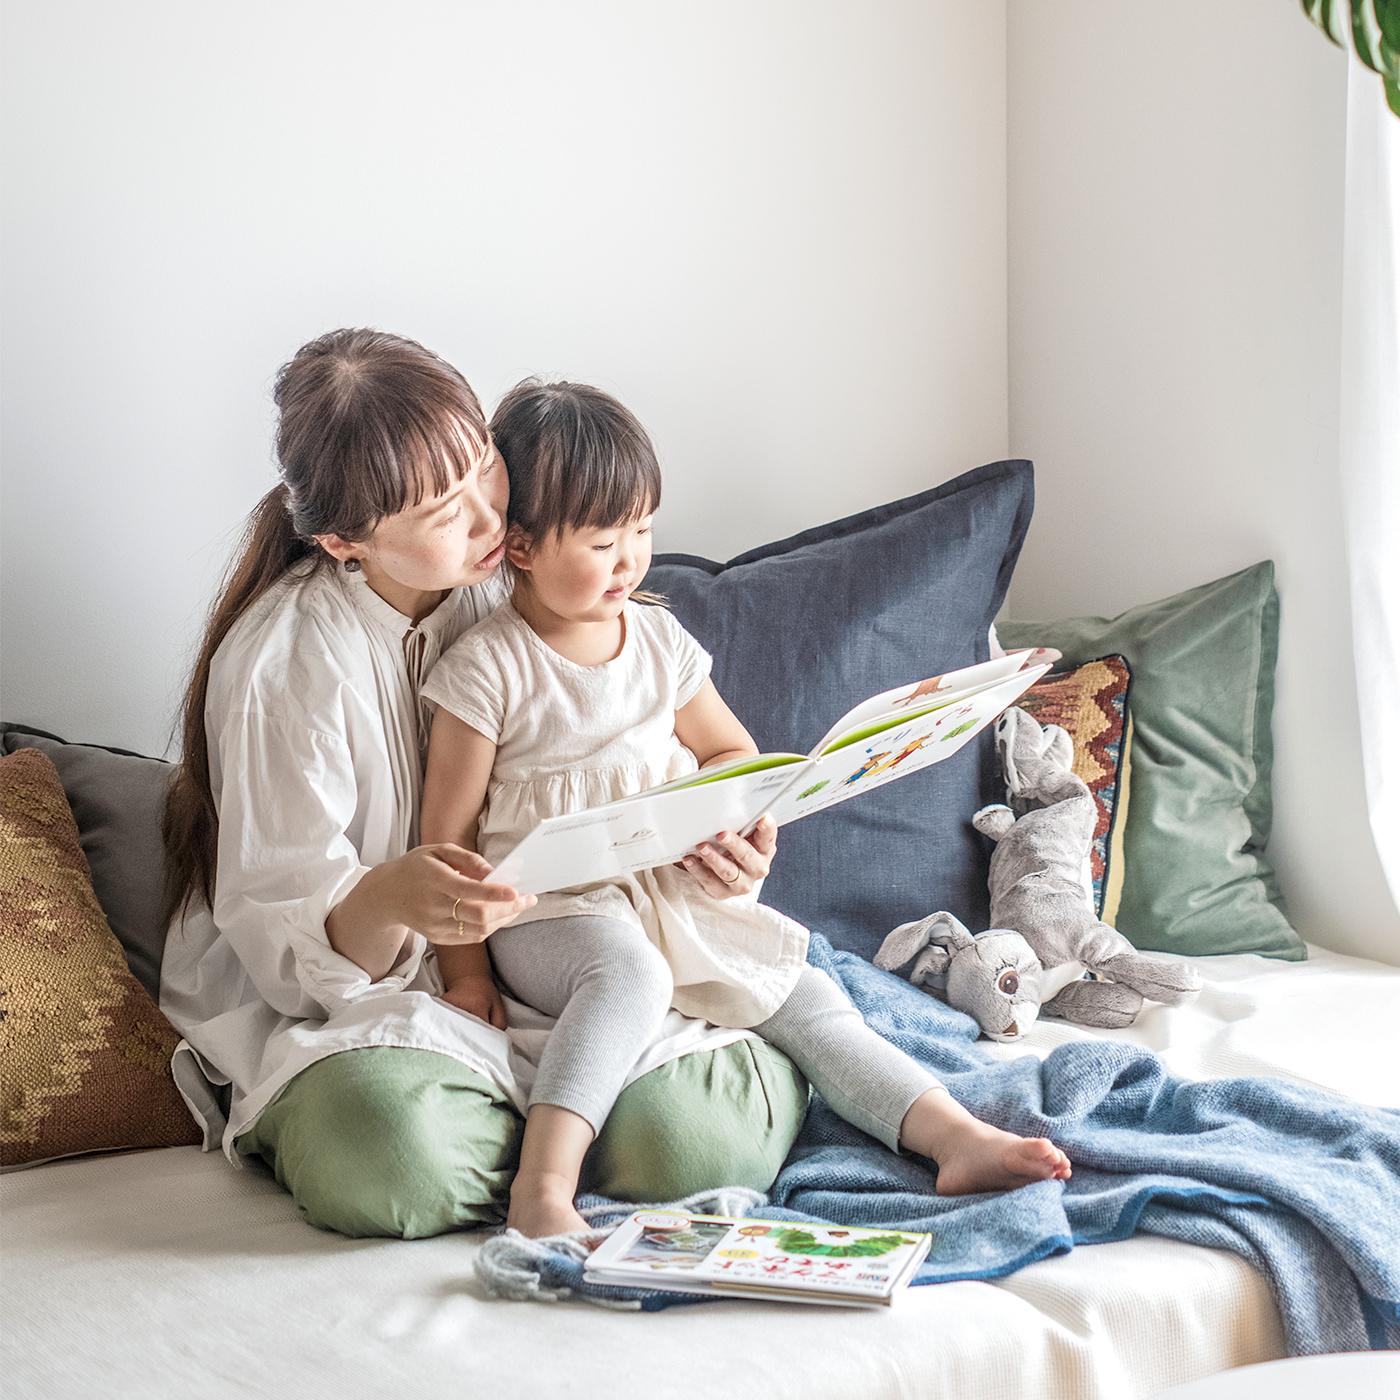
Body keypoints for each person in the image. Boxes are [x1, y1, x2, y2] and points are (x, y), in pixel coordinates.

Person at [158, 330, 808, 1240]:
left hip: (571, 946)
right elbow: (279, 935)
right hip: (369, 1000)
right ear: (345, 540)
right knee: (389, 1150)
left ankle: (554, 1127)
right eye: (441, 513)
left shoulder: (521, 588)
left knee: (696, 1148)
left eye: (482, 473)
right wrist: (394, 895)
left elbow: (672, 748)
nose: (489, 521)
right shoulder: (284, 665)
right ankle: (541, 1138)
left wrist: (726, 837)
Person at [418, 380, 1073, 1238]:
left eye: (645, 530)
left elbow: (732, 752)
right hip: (550, 909)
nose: (631, 561)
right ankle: (542, 1192)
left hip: (667, 889)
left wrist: (732, 820)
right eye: (605, 540)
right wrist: (466, 974)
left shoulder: (657, 639)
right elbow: (446, 839)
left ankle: (952, 1136)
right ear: (520, 546)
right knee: (630, 973)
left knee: (798, 988)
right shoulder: (488, 667)